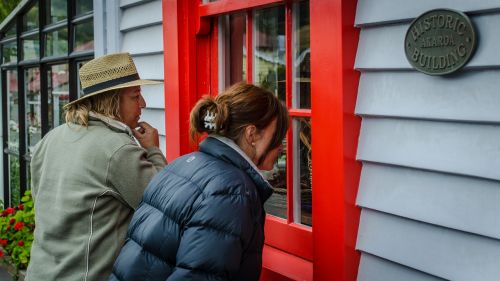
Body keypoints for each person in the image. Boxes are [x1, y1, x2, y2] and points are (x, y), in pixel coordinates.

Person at [109, 82, 289, 281]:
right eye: (278, 136)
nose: (281, 147)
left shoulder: (180, 165)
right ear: (252, 134)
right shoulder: (232, 190)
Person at [25, 53, 168, 281]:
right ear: (112, 100)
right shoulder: (117, 148)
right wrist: (153, 151)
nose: (143, 104)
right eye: (135, 96)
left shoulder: (50, 139)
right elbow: (163, 205)